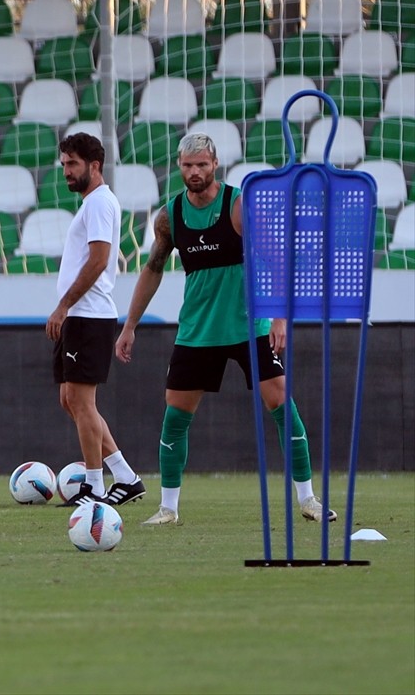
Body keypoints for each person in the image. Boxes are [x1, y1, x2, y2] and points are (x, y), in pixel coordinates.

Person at [115, 133, 336, 526]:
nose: (195, 171)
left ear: (214, 164)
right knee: (176, 416)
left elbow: (274, 258)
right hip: (198, 330)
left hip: (249, 325)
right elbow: (152, 270)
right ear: (179, 167)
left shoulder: (238, 205)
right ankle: (168, 508)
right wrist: (129, 325)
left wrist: (280, 317)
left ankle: (309, 500)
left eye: (202, 164)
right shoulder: (170, 216)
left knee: (282, 404)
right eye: (187, 165)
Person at [47, 133, 145, 508]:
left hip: (89, 315)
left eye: (72, 164)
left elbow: (99, 260)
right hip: (79, 316)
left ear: (95, 166)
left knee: (82, 402)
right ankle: (124, 475)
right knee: (69, 400)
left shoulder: (101, 203)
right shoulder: (91, 204)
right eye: (64, 165)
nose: (67, 172)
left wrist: (63, 306)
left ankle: (93, 486)